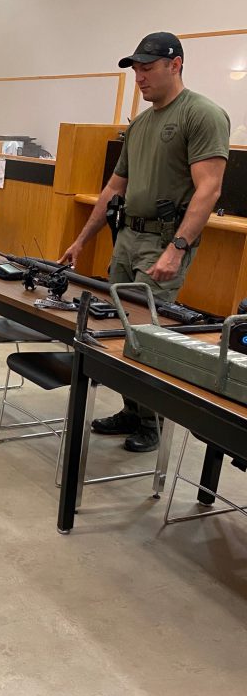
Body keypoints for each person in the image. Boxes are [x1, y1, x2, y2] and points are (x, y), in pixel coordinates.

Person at [60, 32, 230, 452]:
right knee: (114, 328)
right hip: (128, 238)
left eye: (147, 67)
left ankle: (151, 422)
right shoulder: (139, 124)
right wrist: (82, 240)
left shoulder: (202, 114)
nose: (139, 76)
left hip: (164, 241)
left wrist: (178, 248)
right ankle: (132, 410)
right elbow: (114, 188)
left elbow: (208, 189)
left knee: (144, 332)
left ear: (176, 65)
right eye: (135, 69)